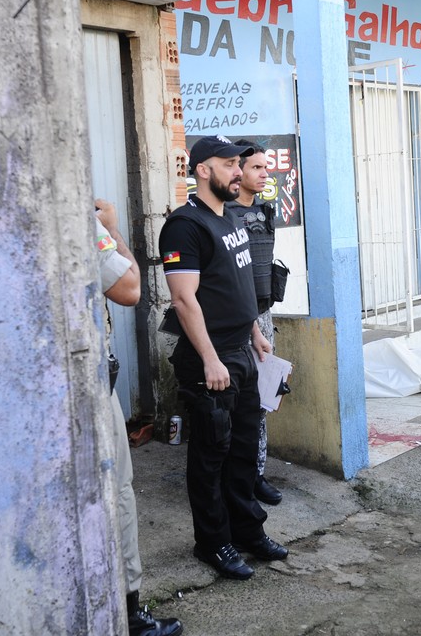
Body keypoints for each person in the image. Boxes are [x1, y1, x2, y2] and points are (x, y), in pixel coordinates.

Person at [0, 204, 182, 636]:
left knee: (36, 508)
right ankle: (125, 613)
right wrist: (110, 230)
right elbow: (130, 289)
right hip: (82, 389)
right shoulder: (66, 205)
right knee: (112, 495)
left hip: (19, 394)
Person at [159, 135, 287, 581]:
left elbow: (238, 285)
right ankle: (212, 543)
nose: (238, 171)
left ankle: (249, 531)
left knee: (244, 451)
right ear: (202, 170)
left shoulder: (231, 216)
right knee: (211, 454)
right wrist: (211, 359)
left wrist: (255, 334)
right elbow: (183, 300)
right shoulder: (184, 226)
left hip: (242, 352)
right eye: (229, 164)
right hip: (209, 361)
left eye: (239, 163)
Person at [225, 139, 282, 506]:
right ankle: (235, 477)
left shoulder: (265, 211)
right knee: (234, 403)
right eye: (256, 168)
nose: (265, 173)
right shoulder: (224, 215)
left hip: (263, 311)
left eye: (266, 166)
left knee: (262, 399)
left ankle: (255, 473)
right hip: (235, 316)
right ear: (238, 172)